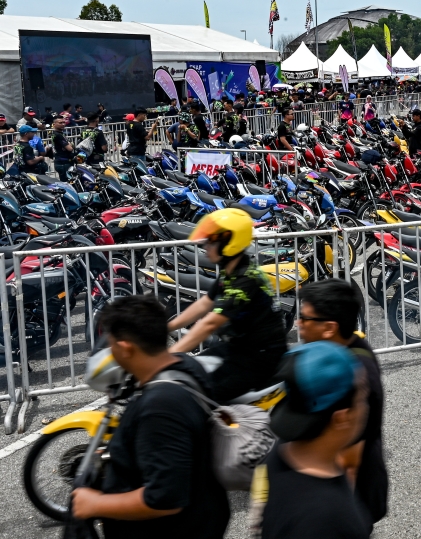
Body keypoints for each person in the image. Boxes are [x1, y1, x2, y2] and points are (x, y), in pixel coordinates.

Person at [71, 295, 230, 539]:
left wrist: (95, 504)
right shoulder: (183, 366)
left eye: (111, 346)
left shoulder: (161, 406)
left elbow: (165, 498)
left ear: (125, 348)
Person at [248, 341, 370, 539]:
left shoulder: (276, 456)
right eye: (362, 397)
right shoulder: (329, 519)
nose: (366, 407)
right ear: (342, 418)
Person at [166, 209, 287, 402]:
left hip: (260, 357)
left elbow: (210, 324)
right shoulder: (230, 271)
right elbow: (204, 303)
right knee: (190, 375)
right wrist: (166, 327)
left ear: (229, 243)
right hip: (238, 348)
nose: (206, 246)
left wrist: (168, 356)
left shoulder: (245, 278)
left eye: (211, 241)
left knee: (201, 396)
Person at [297, 280, 387, 530]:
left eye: (305, 318)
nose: (299, 325)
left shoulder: (352, 375)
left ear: (329, 327)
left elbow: (348, 463)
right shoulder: (350, 348)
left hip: (348, 504)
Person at [125, 108, 158, 172]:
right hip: (138, 151)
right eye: (144, 115)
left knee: (134, 170)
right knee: (142, 171)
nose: (145, 117)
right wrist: (153, 128)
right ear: (139, 115)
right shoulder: (139, 125)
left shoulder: (129, 124)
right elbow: (147, 137)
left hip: (131, 150)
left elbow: (136, 133)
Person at [49, 115, 76, 181]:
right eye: (60, 123)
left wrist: (70, 145)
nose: (63, 124)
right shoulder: (58, 135)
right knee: (67, 183)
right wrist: (70, 145)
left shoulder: (58, 134)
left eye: (64, 122)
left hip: (61, 161)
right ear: (54, 124)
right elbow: (70, 148)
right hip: (63, 163)